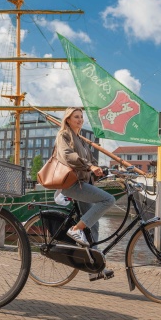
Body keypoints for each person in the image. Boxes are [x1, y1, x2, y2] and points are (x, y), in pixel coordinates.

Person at [55, 107, 116, 281]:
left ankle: (93, 267)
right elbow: (68, 156)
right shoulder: (63, 135)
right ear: (68, 119)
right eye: (76, 117)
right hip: (71, 183)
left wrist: (104, 169)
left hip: (83, 183)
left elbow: (91, 160)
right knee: (108, 199)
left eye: (81, 117)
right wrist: (89, 167)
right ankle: (75, 229)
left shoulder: (80, 139)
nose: (80, 119)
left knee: (93, 225)